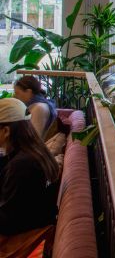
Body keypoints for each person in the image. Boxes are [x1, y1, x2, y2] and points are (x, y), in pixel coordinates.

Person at [0, 98, 59, 243]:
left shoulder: (23, 165)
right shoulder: (35, 151)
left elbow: (8, 222)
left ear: (6, 131)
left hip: (20, 237)